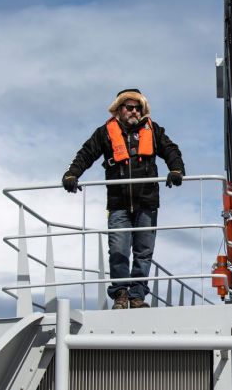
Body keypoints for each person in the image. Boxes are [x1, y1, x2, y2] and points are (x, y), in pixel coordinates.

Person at [62, 89, 185, 309]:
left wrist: (177, 170)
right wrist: (72, 174)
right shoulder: (104, 133)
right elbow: (86, 154)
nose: (134, 111)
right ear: (119, 109)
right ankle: (120, 294)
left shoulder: (153, 130)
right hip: (118, 204)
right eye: (130, 107)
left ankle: (137, 296)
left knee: (143, 252)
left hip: (147, 202)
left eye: (138, 107)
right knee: (118, 250)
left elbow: (171, 150)